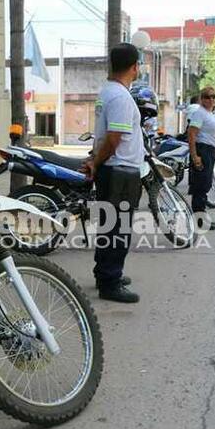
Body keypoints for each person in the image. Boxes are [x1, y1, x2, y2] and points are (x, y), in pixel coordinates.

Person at [81, 43, 143, 303]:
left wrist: (96, 161)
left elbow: (108, 136)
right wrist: (96, 162)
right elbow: (114, 138)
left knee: (109, 226)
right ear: (134, 67)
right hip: (121, 171)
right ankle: (110, 281)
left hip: (113, 170)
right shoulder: (120, 97)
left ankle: (105, 272)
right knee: (118, 229)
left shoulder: (108, 92)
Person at [187, 86, 215, 229]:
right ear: (201, 99)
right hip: (202, 150)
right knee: (200, 187)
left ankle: (201, 218)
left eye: (213, 96)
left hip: (210, 151)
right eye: (207, 96)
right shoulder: (199, 113)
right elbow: (191, 134)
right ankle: (199, 221)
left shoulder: (210, 114)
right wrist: (195, 156)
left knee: (205, 185)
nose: (211, 99)